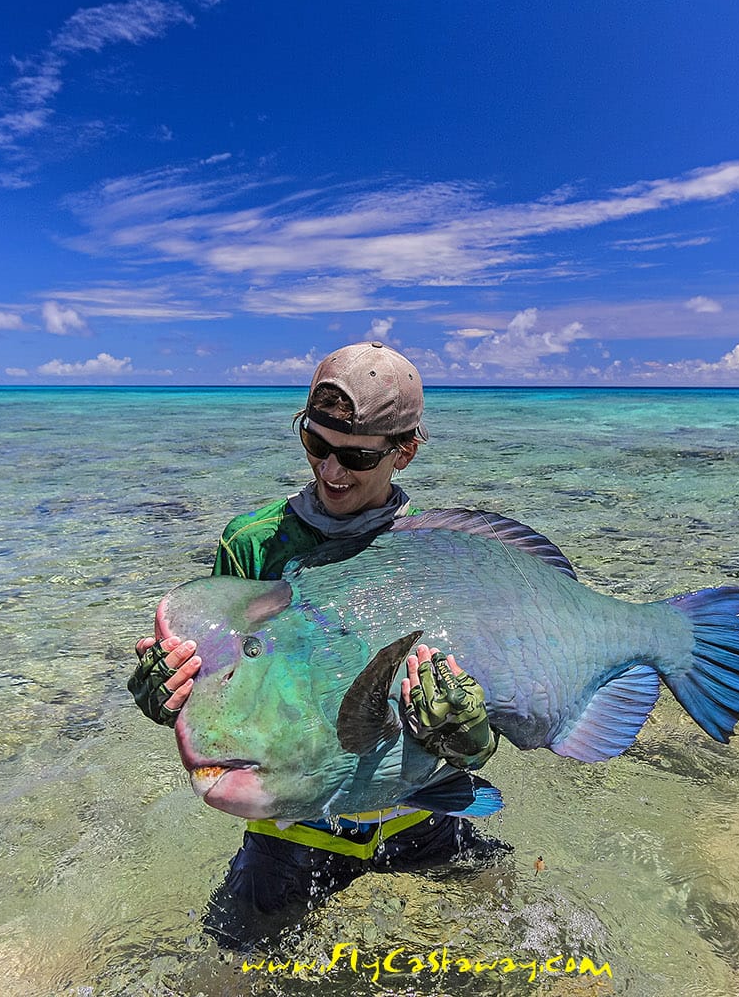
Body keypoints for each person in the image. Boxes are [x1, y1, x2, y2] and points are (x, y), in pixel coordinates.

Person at [127, 341, 507, 948]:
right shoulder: (254, 545)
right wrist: (165, 695)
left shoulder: (441, 556)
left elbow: (488, 716)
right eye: (316, 445)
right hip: (295, 833)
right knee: (224, 966)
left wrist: (471, 736)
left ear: (404, 451)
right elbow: (225, 698)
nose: (331, 472)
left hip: (423, 813)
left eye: (356, 457)